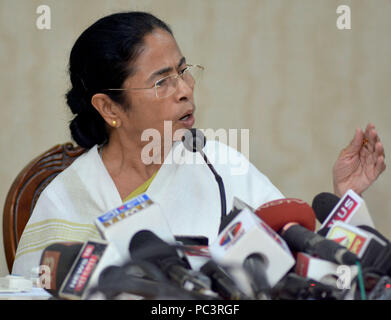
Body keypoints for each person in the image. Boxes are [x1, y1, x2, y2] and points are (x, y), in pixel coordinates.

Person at [12, 12, 386, 277]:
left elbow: (296, 266)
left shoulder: (220, 166)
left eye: (184, 71)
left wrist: (345, 199)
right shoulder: (65, 199)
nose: (186, 90)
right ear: (109, 106)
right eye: (163, 82)